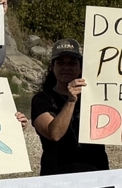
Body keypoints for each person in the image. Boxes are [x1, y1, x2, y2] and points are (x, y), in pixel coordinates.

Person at [30, 41, 109, 175]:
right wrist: (71, 101)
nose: (66, 67)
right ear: (53, 67)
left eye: (72, 63)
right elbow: (54, 134)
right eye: (60, 63)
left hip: (96, 172)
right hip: (58, 176)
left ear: (80, 68)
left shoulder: (96, 96)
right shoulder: (42, 99)